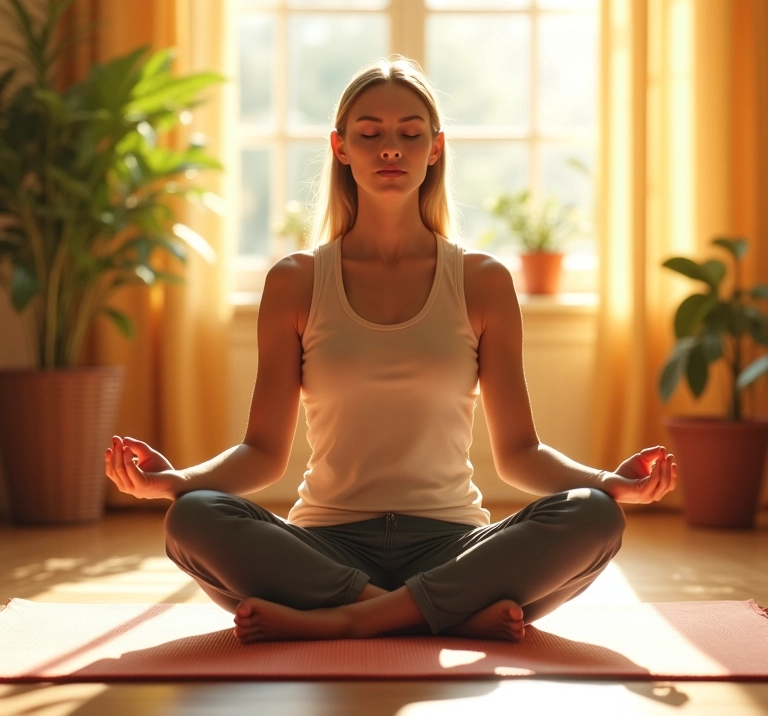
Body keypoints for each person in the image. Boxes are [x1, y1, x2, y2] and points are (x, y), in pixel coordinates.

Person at [105, 56, 677, 644]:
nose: (390, 149)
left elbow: (520, 454)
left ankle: (353, 619)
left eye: (410, 134)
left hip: (451, 544)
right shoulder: (296, 281)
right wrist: (174, 482)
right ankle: (432, 615)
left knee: (595, 515)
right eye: (370, 133)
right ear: (340, 147)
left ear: (435, 148)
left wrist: (611, 483)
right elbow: (262, 453)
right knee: (193, 519)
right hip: (325, 546)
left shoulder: (482, 281)